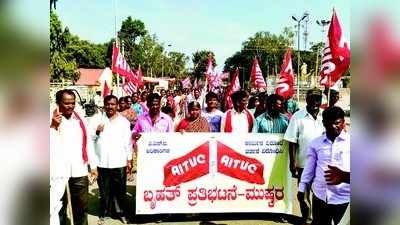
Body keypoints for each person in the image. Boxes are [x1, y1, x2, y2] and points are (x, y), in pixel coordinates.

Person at [50, 89, 98, 225]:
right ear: (58, 103)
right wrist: (52, 126)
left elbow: (88, 142)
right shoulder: (50, 118)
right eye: (66, 103)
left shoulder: (80, 118)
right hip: (58, 173)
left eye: (73, 103)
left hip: (79, 170)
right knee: (58, 208)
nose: (71, 106)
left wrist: (93, 166)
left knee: (81, 208)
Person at [298, 106, 350, 225]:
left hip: (344, 199)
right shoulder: (316, 143)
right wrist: (302, 188)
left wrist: (343, 176)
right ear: (323, 123)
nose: (333, 127)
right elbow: (309, 169)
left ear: (343, 123)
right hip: (320, 197)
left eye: (337, 123)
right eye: (329, 123)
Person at [284, 88, 324, 224]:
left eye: (318, 99)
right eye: (312, 99)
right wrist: (293, 163)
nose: (315, 102)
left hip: (322, 164)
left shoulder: (325, 115)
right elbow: (292, 141)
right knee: (303, 194)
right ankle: (306, 217)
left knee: (320, 195)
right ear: (307, 100)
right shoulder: (297, 116)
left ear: (321, 100)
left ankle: (318, 219)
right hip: (303, 164)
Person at [90, 95, 132, 224]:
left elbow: (128, 142)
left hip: (119, 162)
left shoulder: (124, 122)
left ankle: (121, 213)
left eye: (113, 104)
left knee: (120, 190)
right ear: (104, 104)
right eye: (107, 104)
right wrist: (97, 132)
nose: (110, 107)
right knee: (104, 191)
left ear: (117, 105)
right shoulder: (97, 119)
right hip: (102, 162)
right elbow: (89, 140)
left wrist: (129, 159)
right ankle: (104, 213)